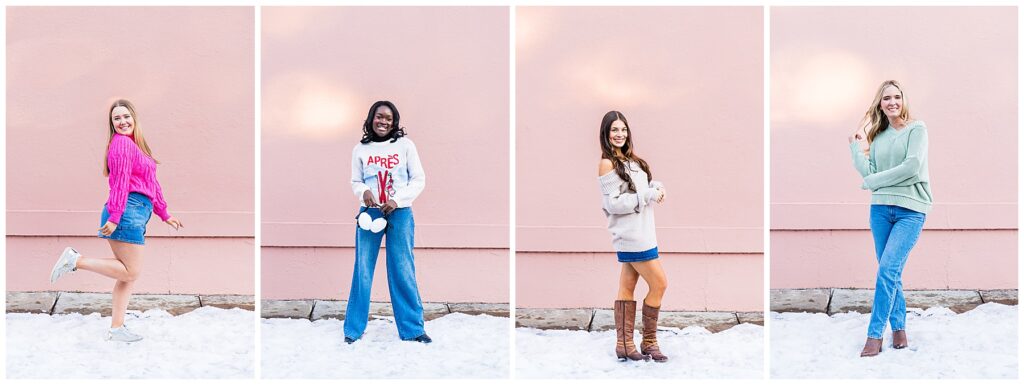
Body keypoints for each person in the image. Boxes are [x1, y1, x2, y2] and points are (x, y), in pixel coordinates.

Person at [50, 99, 183, 342]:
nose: (122, 122)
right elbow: (120, 184)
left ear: (134, 118)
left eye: (126, 116)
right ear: (112, 124)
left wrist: (165, 213)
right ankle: (76, 260)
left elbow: (152, 184)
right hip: (126, 211)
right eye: (116, 119)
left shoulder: (137, 146)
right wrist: (114, 216)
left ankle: (117, 329)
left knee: (127, 276)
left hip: (136, 212)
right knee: (131, 272)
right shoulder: (121, 144)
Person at [849, 80, 931, 357]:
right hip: (880, 210)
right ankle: (899, 328)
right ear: (880, 103)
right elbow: (868, 171)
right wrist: (856, 147)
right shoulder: (879, 135)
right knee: (891, 272)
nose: (892, 102)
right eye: (887, 98)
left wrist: (874, 181)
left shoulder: (916, 129)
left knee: (886, 271)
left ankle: (874, 335)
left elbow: (912, 167)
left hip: (910, 209)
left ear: (903, 100)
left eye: (897, 97)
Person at [343, 100, 431, 344]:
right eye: (379, 116)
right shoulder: (360, 149)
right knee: (362, 269)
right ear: (371, 118)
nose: (384, 121)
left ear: (395, 123)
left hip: (400, 213)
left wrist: (397, 200)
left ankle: (413, 329)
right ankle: (353, 329)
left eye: (389, 118)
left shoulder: (405, 146)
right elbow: (355, 181)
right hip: (369, 214)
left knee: (402, 268)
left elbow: (418, 179)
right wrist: (363, 193)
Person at [597, 110, 669, 362]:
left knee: (627, 286)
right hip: (631, 236)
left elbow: (641, 191)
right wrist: (646, 196)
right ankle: (648, 342)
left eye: (623, 129)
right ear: (606, 134)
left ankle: (624, 345)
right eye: (614, 130)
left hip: (644, 231)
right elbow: (613, 204)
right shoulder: (607, 163)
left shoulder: (633, 161)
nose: (619, 134)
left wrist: (654, 188)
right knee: (659, 283)